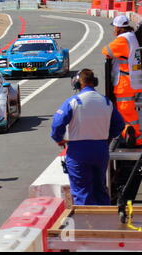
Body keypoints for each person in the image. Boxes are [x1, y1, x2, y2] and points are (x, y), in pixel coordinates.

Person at [51, 69, 125, 205]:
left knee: (81, 192)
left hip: (78, 152)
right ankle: (105, 223)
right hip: (100, 150)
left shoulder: (73, 102)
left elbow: (57, 124)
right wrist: (107, 136)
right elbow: (119, 125)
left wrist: (59, 139)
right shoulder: (106, 102)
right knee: (100, 190)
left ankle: (86, 224)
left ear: (78, 84)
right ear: (94, 82)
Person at [102, 15, 142, 147]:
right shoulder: (131, 36)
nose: (114, 29)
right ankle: (134, 135)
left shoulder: (123, 40)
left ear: (119, 28)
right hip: (133, 80)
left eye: (115, 27)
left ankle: (129, 133)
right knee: (130, 112)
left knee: (125, 112)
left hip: (124, 83)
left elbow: (106, 51)